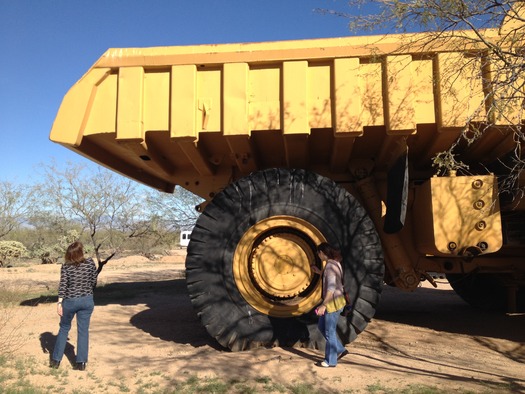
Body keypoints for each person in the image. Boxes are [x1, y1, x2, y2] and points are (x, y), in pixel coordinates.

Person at [50, 241, 97, 371]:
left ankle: (56, 361)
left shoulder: (66, 267)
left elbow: (63, 286)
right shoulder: (90, 263)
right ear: (81, 252)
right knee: (83, 331)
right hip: (87, 300)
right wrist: (88, 292)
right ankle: (81, 363)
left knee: (64, 328)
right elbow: (94, 281)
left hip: (70, 301)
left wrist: (59, 303)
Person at [312, 242, 349, 367]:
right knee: (322, 327)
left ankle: (330, 361)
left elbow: (331, 289)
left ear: (322, 253)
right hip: (337, 301)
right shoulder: (335, 263)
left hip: (332, 303)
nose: (318, 255)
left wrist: (323, 305)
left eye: (318, 253)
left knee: (329, 332)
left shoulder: (329, 267)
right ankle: (340, 349)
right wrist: (318, 272)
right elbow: (332, 278)